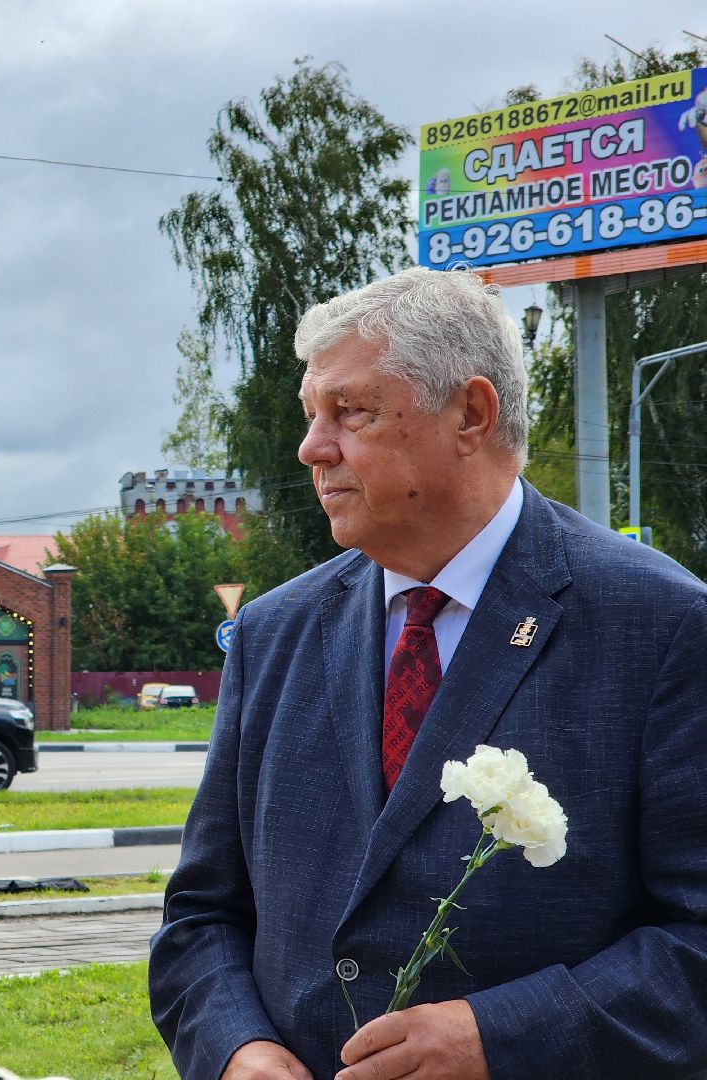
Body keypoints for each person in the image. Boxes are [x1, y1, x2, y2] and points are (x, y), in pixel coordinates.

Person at [149, 267, 707, 1079]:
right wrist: (238, 1049)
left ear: (471, 415)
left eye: (352, 411)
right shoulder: (274, 631)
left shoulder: (660, 626)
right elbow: (201, 916)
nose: (312, 447)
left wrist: (502, 1039)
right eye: (313, 416)